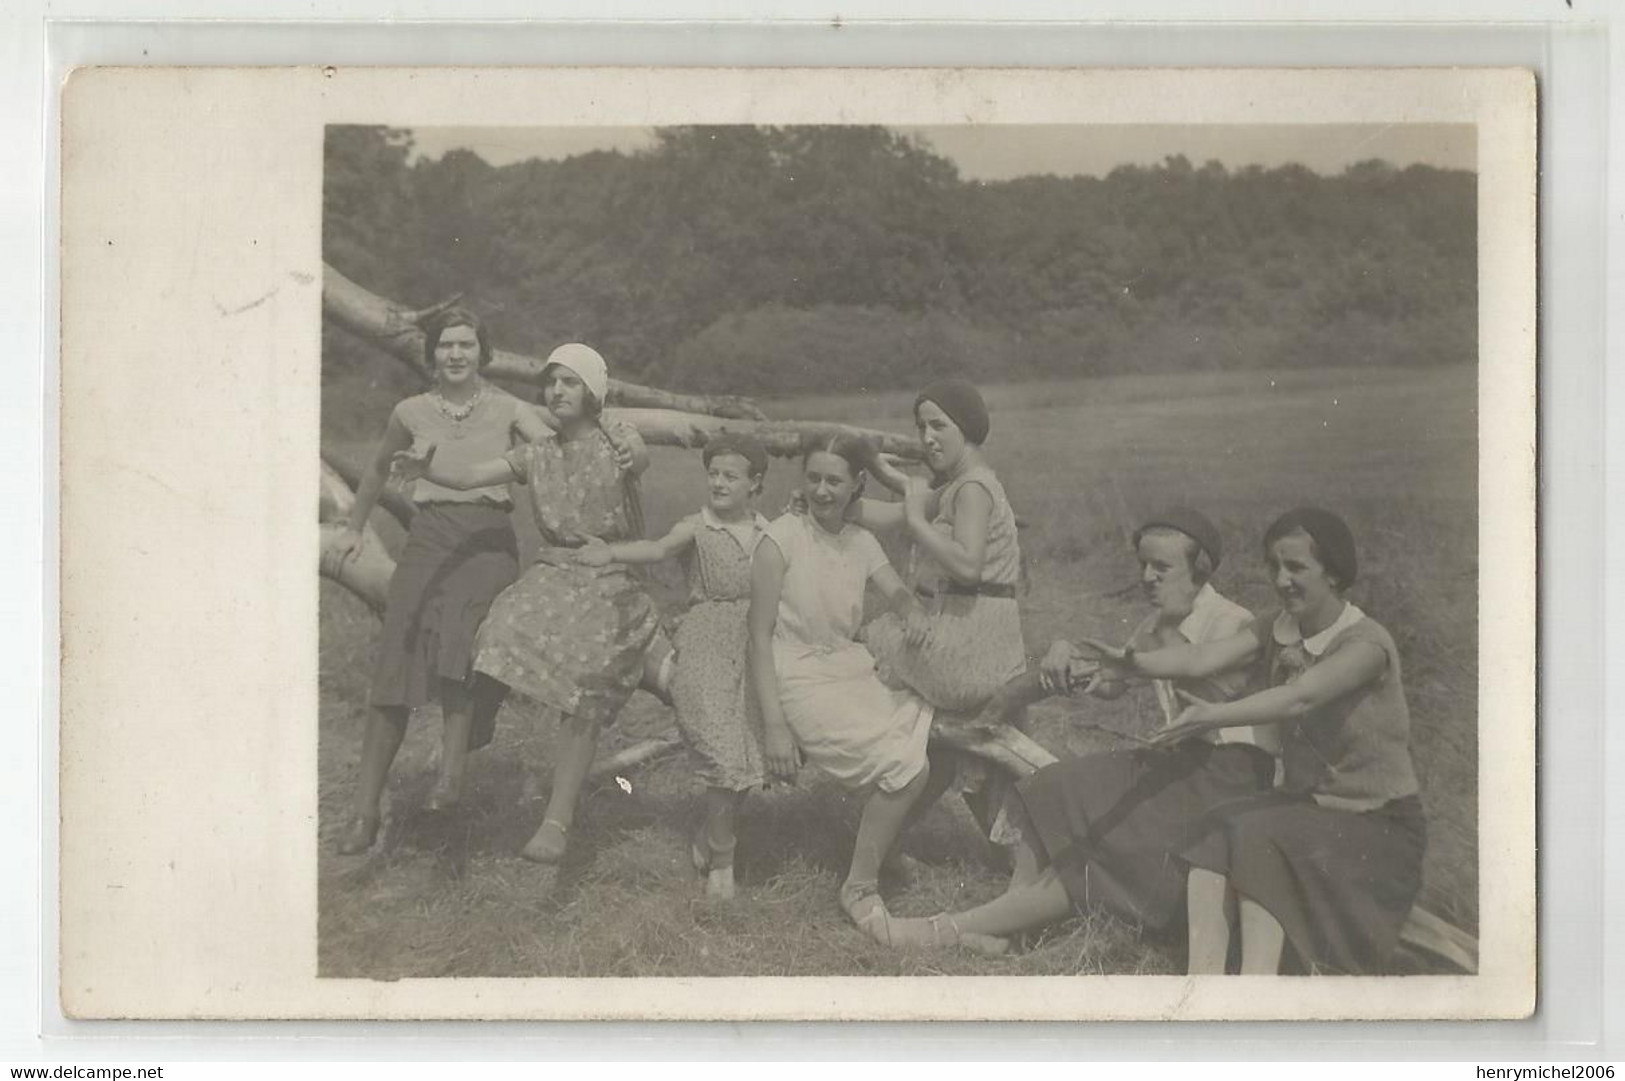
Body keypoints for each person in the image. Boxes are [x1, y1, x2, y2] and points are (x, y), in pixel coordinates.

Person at [873, 509, 1275, 952]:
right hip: (1180, 766)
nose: (1148, 577)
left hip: (1231, 777)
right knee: (1049, 787)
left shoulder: (1232, 622)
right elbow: (1109, 684)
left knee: (1109, 837)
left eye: (1162, 568)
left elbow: (1199, 667)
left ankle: (952, 930)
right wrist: (1064, 659)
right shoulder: (1153, 626)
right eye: (1143, 565)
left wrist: (1120, 661)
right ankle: (1009, 921)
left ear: (1200, 570)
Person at [1095, 507, 1426, 975]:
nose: (1282, 580)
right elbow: (1200, 659)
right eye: (1274, 566)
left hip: (1378, 825)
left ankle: (1255, 988)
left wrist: (1214, 715)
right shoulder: (1277, 626)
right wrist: (1135, 665)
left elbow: (1298, 697)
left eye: (1296, 567)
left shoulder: (1366, 644)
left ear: (1332, 572)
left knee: (1255, 834)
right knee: (1216, 828)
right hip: (1312, 808)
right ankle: (1203, 983)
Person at [392, 343, 657, 866]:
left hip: (609, 574)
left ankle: (557, 820)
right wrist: (428, 463)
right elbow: (469, 478)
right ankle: (464, 754)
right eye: (551, 382)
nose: (557, 391)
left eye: (570, 382)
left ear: (593, 392)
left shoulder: (617, 442)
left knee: (586, 674)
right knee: (493, 633)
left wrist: (635, 451)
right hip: (552, 573)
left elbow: (639, 457)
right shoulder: (537, 452)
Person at [748, 432, 1004, 955]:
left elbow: (896, 591)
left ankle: (881, 848)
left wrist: (911, 612)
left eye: (834, 481)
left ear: (856, 485)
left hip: (848, 664)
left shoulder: (861, 540)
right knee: (902, 765)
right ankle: (859, 886)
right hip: (792, 672)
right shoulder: (780, 538)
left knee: (934, 746)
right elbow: (757, 634)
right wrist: (774, 724)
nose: (822, 491)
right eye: (813, 478)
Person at [334, 307, 553, 856]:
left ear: (483, 353)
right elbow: (380, 468)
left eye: (466, 345)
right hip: (429, 538)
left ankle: (450, 779)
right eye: (446, 346)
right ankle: (363, 811)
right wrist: (354, 527)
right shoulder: (409, 411)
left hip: (485, 541)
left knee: (460, 638)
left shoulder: (509, 408)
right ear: (432, 355)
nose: (456, 354)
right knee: (395, 663)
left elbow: (559, 443)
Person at [576, 433, 773, 899]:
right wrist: (612, 553)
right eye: (714, 474)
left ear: (755, 483)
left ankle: (712, 835)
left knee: (746, 753)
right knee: (720, 749)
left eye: (731, 476)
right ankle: (723, 862)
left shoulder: (769, 531)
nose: (719, 483)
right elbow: (659, 550)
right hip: (706, 638)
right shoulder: (698, 527)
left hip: (756, 643)